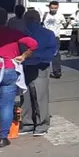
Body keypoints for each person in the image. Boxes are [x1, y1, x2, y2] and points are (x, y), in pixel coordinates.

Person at [0, 7, 37, 149]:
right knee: (6, 105)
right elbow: (33, 44)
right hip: (9, 70)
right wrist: (24, 56)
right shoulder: (14, 33)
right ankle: (3, 138)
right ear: (6, 19)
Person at [21, 8, 59, 136]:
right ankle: (35, 124)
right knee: (32, 96)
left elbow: (52, 51)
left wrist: (34, 56)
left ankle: (35, 124)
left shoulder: (23, 33)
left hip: (33, 66)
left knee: (32, 96)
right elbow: (53, 51)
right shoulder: (46, 33)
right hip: (35, 66)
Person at [40, 1, 64, 78]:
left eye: (55, 8)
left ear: (58, 8)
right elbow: (41, 24)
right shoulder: (45, 15)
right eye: (52, 8)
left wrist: (69, 21)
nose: (54, 9)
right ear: (49, 7)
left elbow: (64, 24)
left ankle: (56, 71)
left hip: (55, 37)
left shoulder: (60, 16)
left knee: (55, 54)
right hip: (45, 37)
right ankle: (43, 69)